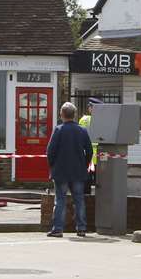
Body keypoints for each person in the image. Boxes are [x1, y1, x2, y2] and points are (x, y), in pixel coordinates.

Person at [46, 101, 93, 238]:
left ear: (62, 114)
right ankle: (81, 228)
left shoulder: (58, 130)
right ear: (74, 115)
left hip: (61, 172)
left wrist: (53, 166)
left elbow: (50, 151)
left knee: (60, 200)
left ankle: (58, 229)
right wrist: (84, 165)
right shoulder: (82, 131)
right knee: (79, 200)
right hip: (78, 172)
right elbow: (89, 151)